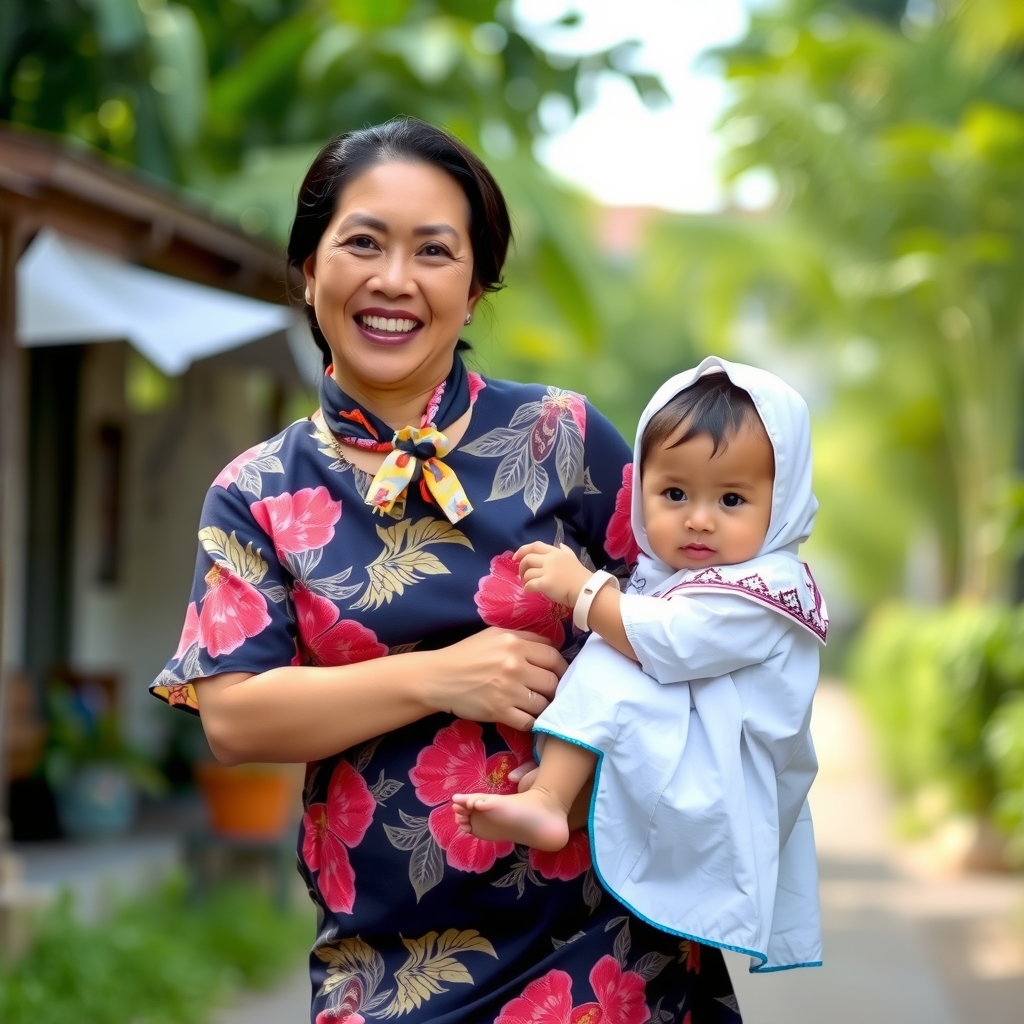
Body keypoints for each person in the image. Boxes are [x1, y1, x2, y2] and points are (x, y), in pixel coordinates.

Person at [151, 119, 743, 1022]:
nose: (395, 280)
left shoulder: (564, 438)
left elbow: (697, 609)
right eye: (362, 243)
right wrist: (445, 677)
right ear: (309, 271)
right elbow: (233, 716)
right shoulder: (256, 493)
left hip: (610, 953)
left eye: (434, 251)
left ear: (473, 290)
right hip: (388, 973)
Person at [454, 358, 827, 973]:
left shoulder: (766, 590)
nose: (699, 518)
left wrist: (584, 591)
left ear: (780, 503)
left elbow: (674, 641)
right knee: (619, 653)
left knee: (616, 654)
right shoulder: (681, 578)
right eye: (674, 493)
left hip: (722, 771)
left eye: (732, 498)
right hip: (695, 745)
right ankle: (554, 792)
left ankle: (552, 795)